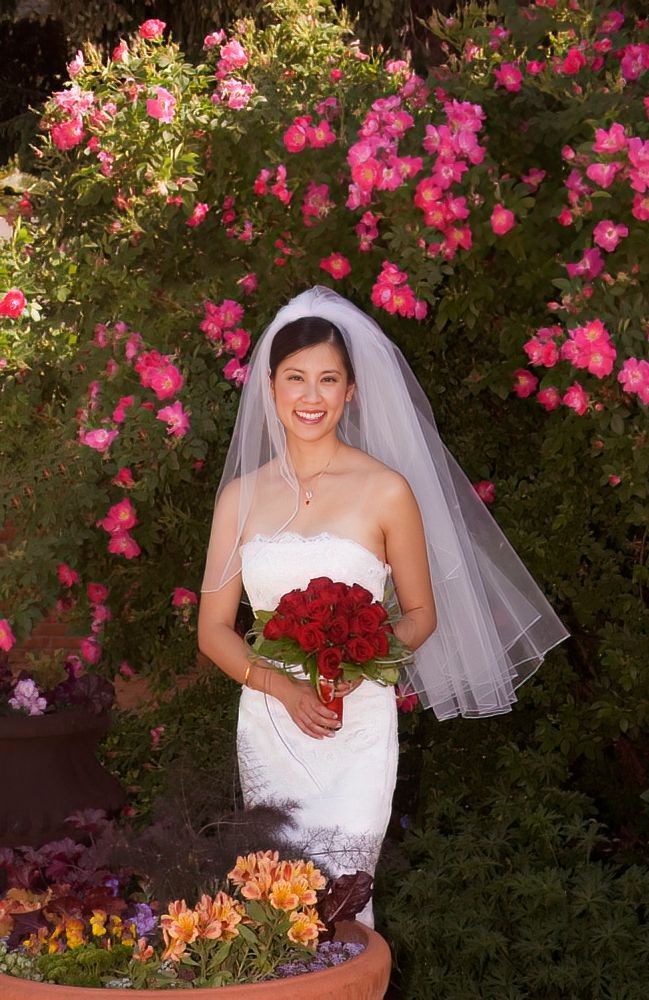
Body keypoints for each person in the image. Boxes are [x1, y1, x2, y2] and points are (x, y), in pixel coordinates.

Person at [198, 285, 569, 922]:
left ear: (351, 391)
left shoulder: (386, 490)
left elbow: (421, 613)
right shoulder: (240, 498)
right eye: (295, 378)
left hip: (357, 720)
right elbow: (212, 630)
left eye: (328, 380)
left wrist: (363, 656)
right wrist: (281, 688)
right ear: (270, 387)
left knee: (341, 897)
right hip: (270, 722)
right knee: (272, 900)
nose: (311, 396)